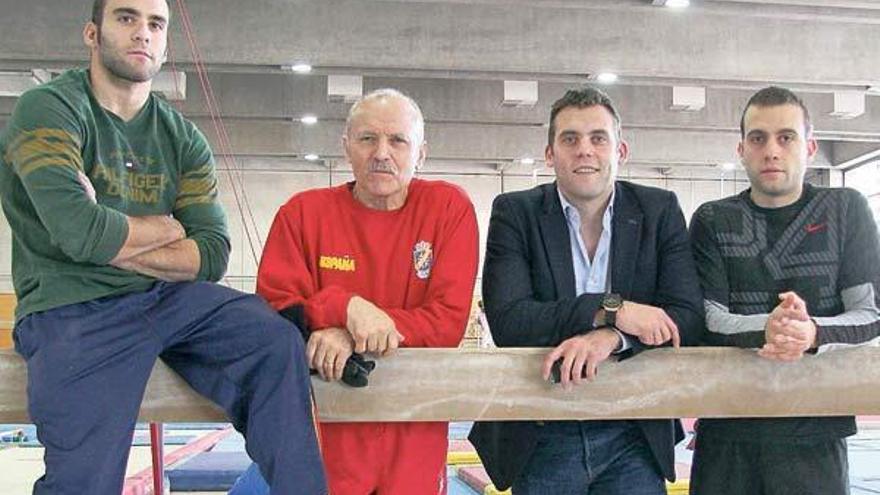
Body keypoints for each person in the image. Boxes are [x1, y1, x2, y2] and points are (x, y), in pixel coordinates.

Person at [0, 1, 326, 493]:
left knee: (272, 337)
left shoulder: (180, 136)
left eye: (156, 24)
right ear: (93, 33)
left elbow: (213, 253)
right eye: (126, 18)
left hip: (166, 300)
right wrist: (170, 228)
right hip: (72, 307)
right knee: (83, 483)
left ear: (166, 41)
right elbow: (77, 230)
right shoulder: (50, 109)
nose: (142, 34)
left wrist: (110, 233)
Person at [229, 88, 479, 494]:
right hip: (325, 436)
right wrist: (343, 305)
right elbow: (274, 311)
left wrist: (348, 330)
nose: (382, 152)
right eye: (368, 138)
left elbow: (448, 322)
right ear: (346, 147)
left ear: (421, 153)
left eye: (397, 140)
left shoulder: (449, 209)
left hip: (412, 435)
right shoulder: (302, 214)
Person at [468, 87, 704, 494]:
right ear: (549, 154)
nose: (584, 150)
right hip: (543, 428)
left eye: (598, 138)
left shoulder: (658, 210)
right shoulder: (516, 213)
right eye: (570, 139)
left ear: (621, 150)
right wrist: (613, 308)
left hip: (634, 433)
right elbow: (511, 322)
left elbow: (687, 317)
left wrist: (611, 334)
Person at [688, 86, 880, 495]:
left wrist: (810, 332)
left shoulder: (846, 209)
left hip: (816, 431)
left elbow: (870, 312)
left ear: (809, 146)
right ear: (741, 149)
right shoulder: (712, 219)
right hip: (728, 431)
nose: (771, 150)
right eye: (758, 138)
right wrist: (770, 328)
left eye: (785, 137)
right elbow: (706, 319)